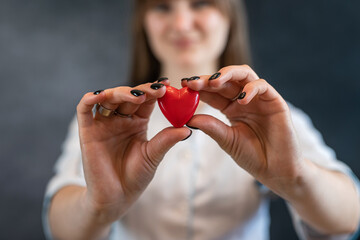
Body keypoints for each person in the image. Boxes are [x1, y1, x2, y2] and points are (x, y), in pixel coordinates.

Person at [43, 0, 360, 239]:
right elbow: (61, 227)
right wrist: (98, 207)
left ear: (229, 17)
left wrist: (296, 179)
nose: (181, 23)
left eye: (201, 2)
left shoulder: (272, 116)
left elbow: (349, 217)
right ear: (144, 22)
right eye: (162, 6)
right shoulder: (106, 122)